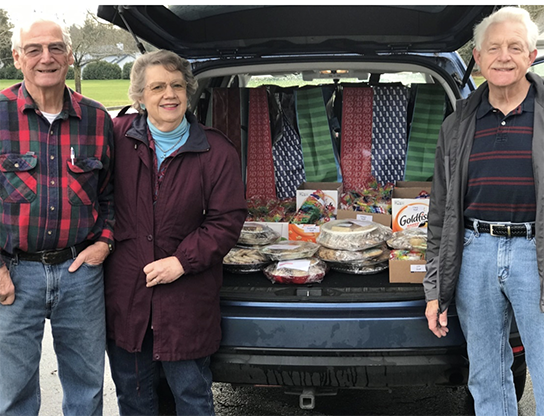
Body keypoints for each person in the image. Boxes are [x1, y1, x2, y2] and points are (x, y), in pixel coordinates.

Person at [104, 49, 247, 416]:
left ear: (188, 91)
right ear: (139, 96)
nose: (169, 94)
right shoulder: (115, 138)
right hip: (127, 296)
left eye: (177, 85)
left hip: (187, 299)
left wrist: (182, 262)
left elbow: (226, 220)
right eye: (157, 87)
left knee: (192, 397)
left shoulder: (217, 151)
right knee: (134, 399)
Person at [423, 6, 544, 415]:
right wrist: (436, 289)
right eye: (493, 48)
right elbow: (439, 213)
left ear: (531, 55)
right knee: (486, 375)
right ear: (477, 57)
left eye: (515, 47)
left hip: (537, 253)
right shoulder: (456, 125)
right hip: (474, 252)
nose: (503, 56)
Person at [0, 17, 115, 416]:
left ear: (69, 56)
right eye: (34, 49)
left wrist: (104, 241)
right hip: (13, 274)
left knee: (87, 388)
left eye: (55, 48)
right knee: (12, 394)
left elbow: (112, 192)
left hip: (79, 270)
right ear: (17, 57)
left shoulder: (98, 119)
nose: (45, 57)